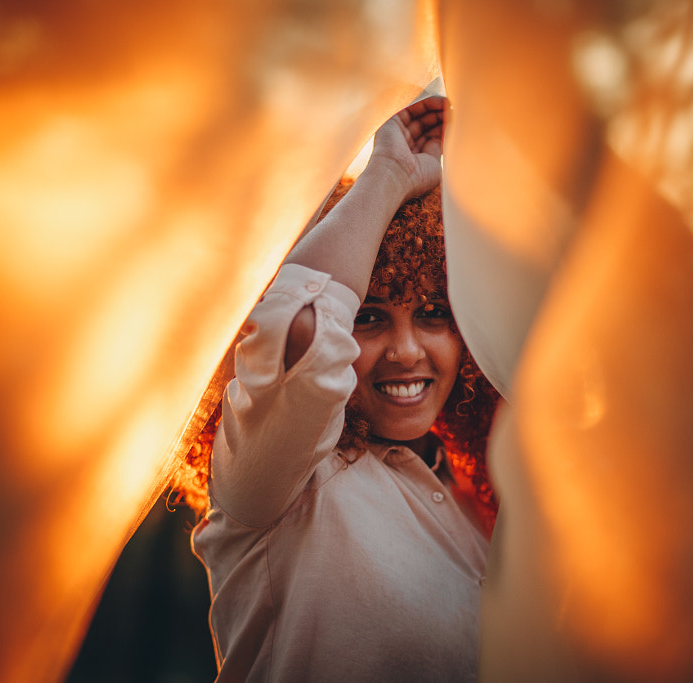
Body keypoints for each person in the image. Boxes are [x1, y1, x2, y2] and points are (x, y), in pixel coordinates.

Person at [170, 95, 501, 681]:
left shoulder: (472, 502)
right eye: (368, 317)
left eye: (431, 312)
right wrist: (390, 176)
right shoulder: (273, 481)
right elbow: (302, 329)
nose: (406, 350)